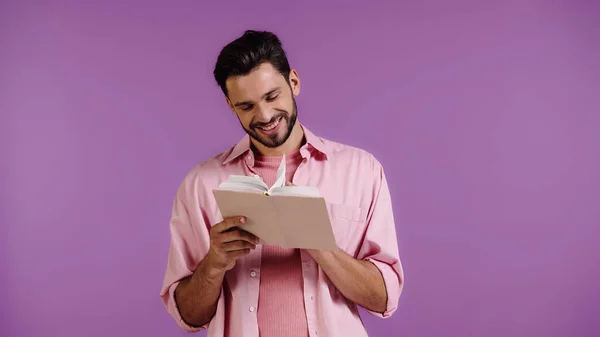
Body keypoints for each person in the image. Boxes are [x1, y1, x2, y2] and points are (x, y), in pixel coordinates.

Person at [159, 30, 404, 337]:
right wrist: (214, 263)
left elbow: (384, 298)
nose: (264, 115)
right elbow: (189, 318)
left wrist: (323, 248)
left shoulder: (361, 171)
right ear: (230, 105)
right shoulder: (199, 185)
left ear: (294, 82)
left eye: (272, 96)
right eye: (246, 106)